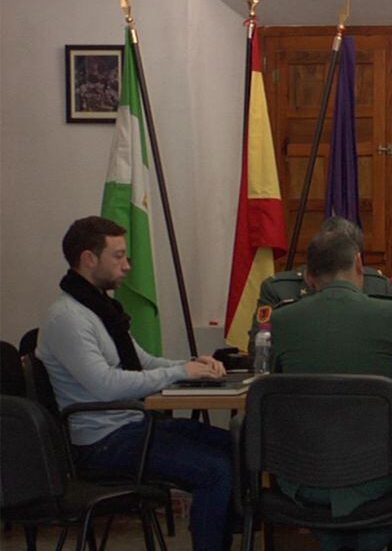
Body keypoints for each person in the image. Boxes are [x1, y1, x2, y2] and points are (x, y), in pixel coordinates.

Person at [37, 216, 232, 551]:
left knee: (236, 445)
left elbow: (142, 362)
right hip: (101, 444)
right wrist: (180, 373)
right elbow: (106, 385)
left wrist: (191, 364)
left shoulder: (100, 308)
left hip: (132, 427)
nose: (127, 266)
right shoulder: (68, 317)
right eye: (119, 256)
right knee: (215, 471)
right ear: (89, 259)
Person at [270, 225, 392, 551]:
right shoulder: (391, 314)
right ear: (359, 264)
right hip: (379, 482)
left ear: (309, 277)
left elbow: (279, 389)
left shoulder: (283, 321)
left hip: (302, 480)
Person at [247, 215, 391, 349]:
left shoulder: (377, 286)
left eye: (343, 258)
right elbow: (259, 347)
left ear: (357, 261)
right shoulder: (279, 289)